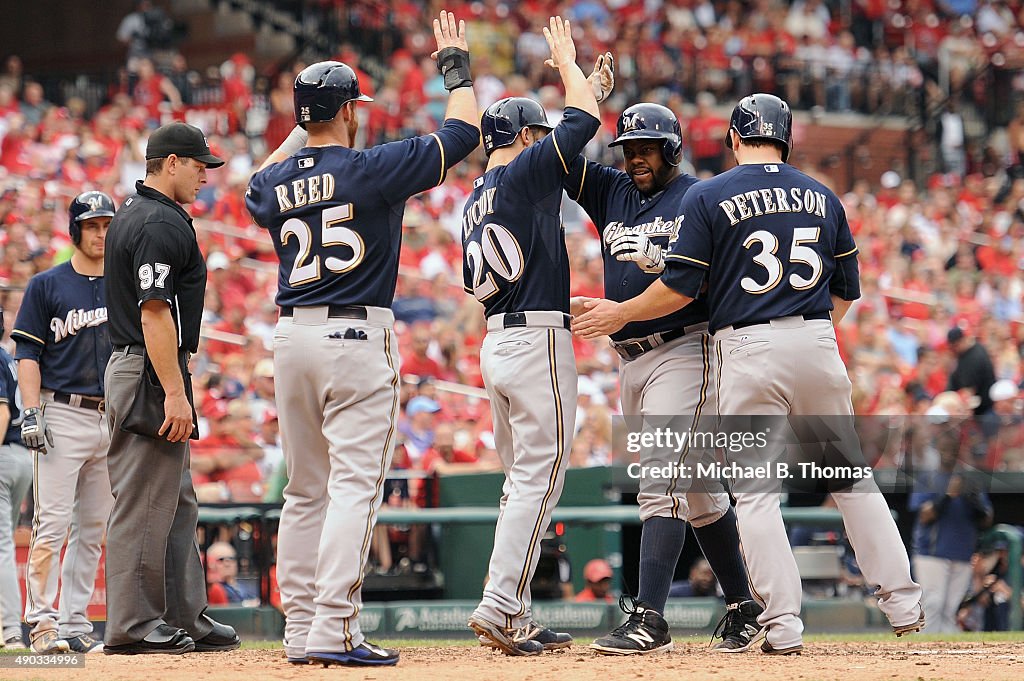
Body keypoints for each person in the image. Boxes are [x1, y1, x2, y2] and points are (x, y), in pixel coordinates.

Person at [572, 93, 924, 654]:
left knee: (756, 494)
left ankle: (781, 625)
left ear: (735, 140)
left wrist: (621, 312)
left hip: (747, 345)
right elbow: (844, 292)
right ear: (786, 140)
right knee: (850, 478)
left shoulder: (710, 193)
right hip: (815, 338)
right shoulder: (823, 194)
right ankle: (904, 602)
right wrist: (806, 331)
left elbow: (681, 287)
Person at [244, 10, 479, 667]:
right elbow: (462, 130)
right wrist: (455, 67)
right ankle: (335, 628)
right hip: (355, 336)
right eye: (354, 107)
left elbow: (252, 187)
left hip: (292, 338)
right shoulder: (374, 167)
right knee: (352, 488)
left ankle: (299, 630)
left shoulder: (281, 180)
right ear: (349, 109)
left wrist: (303, 129)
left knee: (304, 491)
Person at [564, 102, 763, 656]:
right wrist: (580, 88)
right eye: (628, 149)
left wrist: (621, 310)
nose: (635, 158)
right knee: (697, 493)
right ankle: (746, 604)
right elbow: (560, 157)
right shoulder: (614, 192)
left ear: (672, 147)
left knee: (663, 483)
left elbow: (695, 285)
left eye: (646, 148)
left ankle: (649, 617)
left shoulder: (698, 197)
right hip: (631, 358)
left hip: (684, 349)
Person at [462, 17, 602, 657]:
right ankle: (499, 605)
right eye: (537, 136)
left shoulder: (477, 194)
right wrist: (569, 66)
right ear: (519, 137)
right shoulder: (517, 176)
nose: (546, 146)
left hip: (499, 339)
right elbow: (582, 127)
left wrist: (587, 86)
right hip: (535, 341)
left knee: (521, 478)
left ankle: (508, 605)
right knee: (539, 478)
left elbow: (572, 137)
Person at [102, 122, 239, 655]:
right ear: (171, 163)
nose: (206, 173)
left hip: (145, 365)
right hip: (148, 367)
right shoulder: (158, 222)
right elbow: (155, 311)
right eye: (199, 163)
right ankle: (133, 627)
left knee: (177, 502)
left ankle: (187, 617)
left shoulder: (143, 215)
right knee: (143, 501)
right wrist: (175, 392)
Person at [10, 192, 118, 655]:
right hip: (61, 412)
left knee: (93, 528)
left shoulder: (124, 284)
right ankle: (42, 625)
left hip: (110, 416)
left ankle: (76, 623)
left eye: (106, 225)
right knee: (51, 525)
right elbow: (27, 354)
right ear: (75, 230)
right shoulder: (47, 284)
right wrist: (31, 411)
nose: (100, 234)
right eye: (92, 225)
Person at [0, 308, 32, 650]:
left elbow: (2, 411)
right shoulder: (7, 357)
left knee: (1, 547)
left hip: (5, 453)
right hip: (19, 455)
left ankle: (10, 630)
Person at [205, 541, 258, 606]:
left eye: (231, 558)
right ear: (210, 564)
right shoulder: (213, 589)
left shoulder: (247, 586)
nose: (227, 563)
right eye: (221, 559)